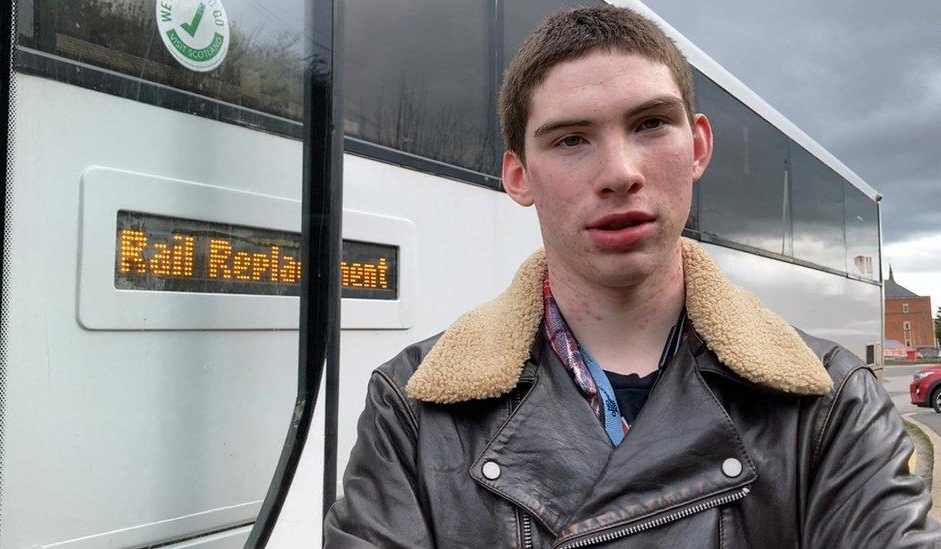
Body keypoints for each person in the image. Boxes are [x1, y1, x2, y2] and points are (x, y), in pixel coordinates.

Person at [324, 5, 940, 547]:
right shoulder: (410, 410)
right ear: (518, 177)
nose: (620, 172)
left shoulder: (831, 404)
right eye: (570, 140)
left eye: (650, 125)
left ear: (698, 147)